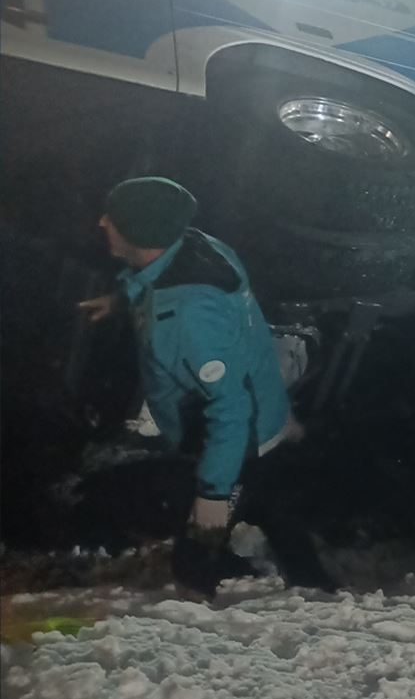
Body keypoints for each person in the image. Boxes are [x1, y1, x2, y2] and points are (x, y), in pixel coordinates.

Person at [78, 177, 332, 596]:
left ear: (140, 232)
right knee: (268, 499)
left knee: (194, 562)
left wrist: (213, 496)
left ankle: (251, 603)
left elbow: (230, 411)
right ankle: (312, 581)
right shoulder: (200, 248)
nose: (103, 222)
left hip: (240, 438)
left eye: (114, 218)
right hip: (262, 416)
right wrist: (122, 300)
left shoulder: (189, 318)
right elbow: (156, 278)